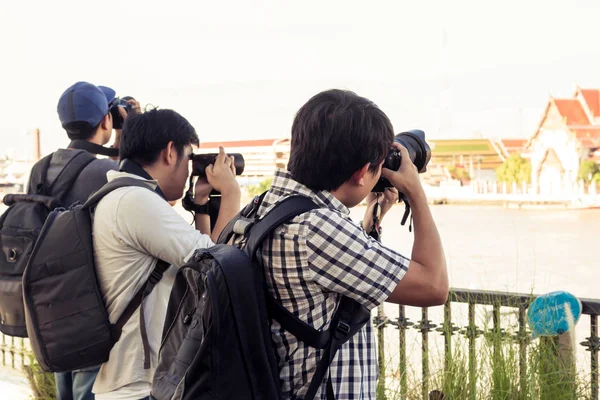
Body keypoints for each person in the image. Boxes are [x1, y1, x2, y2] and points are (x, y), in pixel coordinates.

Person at [240, 89, 449, 399]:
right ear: (363, 172)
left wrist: (372, 216)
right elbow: (434, 286)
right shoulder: (318, 229)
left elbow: (327, 281)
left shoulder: (264, 208)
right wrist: (416, 194)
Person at [90, 108, 241, 400]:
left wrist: (200, 203)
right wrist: (232, 193)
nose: (188, 172)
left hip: (135, 384)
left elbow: (202, 260)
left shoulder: (121, 194)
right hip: (136, 388)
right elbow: (221, 264)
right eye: (189, 158)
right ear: (170, 152)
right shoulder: (135, 200)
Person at [26, 81, 137, 400]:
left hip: (51, 307)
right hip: (91, 310)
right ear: (106, 121)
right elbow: (148, 192)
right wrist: (129, 129)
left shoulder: (41, 168)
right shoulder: (105, 171)